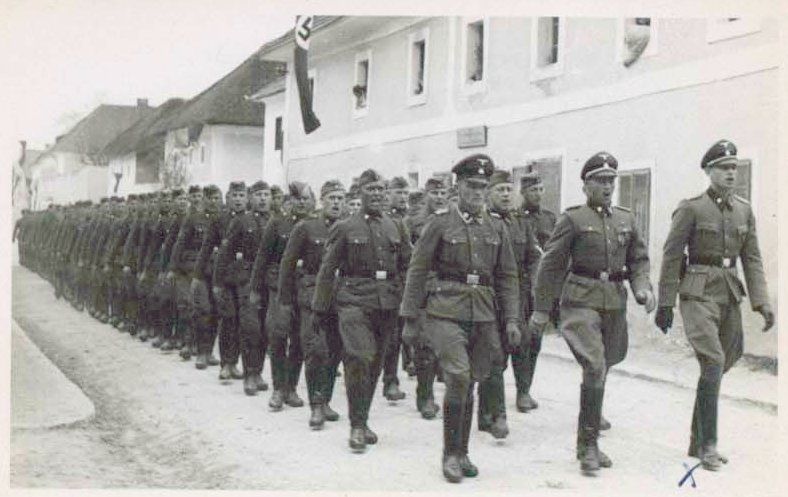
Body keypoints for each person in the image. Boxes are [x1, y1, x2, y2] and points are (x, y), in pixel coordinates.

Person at [530, 152, 655, 474]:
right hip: (580, 300)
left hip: (613, 300)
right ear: (585, 185)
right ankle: (587, 447)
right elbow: (551, 266)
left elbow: (639, 259)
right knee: (596, 363)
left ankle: (592, 414)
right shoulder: (572, 219)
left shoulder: (625, 219)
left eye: (611, 180)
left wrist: (643, 287)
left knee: (608, 361)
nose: (608, 186)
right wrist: (542, 310)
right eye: (600, 180)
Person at [400, 155, 521, 483]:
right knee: (458, 376)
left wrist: (511, 318)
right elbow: (418, 269)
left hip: (483, 312)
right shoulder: (439, 224)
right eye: (472, 186)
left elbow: (508, 276)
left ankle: (463, 451)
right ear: (458, 187)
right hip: (444, 310)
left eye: (483, 186)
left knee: (473, 380)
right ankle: (449, 455)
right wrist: (410, 318)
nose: (478, 192)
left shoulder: (496, 227)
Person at [655, 139, 774, 471]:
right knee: (713, 360)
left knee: (727, 358)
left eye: (734, 168)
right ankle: (709, 444)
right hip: (697, 293)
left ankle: (696, 439)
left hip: (728, 292)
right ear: (709, 172)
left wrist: (762, 301)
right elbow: (672, 255)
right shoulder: (691, 208)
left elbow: (752, 259)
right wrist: (666, 302)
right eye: (724, 168)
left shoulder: (744, 210)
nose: (731, 173)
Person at [312, 169, 411, 453]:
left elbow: (407, 264)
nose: (377, 195)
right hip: (353, 300)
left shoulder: (396, 226)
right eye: (371, 190)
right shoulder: (344, 228)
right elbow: (328, 269)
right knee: (359, 356)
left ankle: (362, 419)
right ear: (360, 194)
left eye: (381, 189)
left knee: (376, 363)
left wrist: (406, 298)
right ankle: (356, 426)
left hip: (387, 303)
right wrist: (320, 308)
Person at [278, 180, 346, 429]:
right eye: (332, 198)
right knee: (315, 351)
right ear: (322, 201)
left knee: (336, 351)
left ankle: (325, 399)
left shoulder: (349, 228)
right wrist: (285, 300)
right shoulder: (306, 227)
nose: (337, 203)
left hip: (340, 298)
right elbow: (287, 263)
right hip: (310, 297)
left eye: (341, 198)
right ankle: (315, 405)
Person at [477, 169, 541, 437]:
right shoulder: (481, 223)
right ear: (488, 194)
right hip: (489, 298)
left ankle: (490, 411)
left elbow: (534, 256)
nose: (505, 194)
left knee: (520, 346)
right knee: (493, 355)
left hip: (518, 297)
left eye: (508, 189)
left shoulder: (520, 223)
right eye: (499, 190)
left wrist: (536, 286)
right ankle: (496, 413)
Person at [251, 182, 314, 409]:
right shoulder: (277, 223)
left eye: (306, 199)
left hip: (305, 290)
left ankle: (291, 388)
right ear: (290, 201)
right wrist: (256, 289)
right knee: (278, 335)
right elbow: (262, 258)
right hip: (279, 287)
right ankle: (278, 388)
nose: (301, 203)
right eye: (297, 199)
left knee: (299, 339)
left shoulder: (314, 225)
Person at [215, 181, 272, 392]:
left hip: (269, 280)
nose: (263, 199)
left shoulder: (275, 221)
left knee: (265, 329)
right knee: (250, 327)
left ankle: (258, 372)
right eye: (258, 195)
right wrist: (219, 282)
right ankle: (249, 373)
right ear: (251, 198)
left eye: (266, 195)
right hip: (246, 280)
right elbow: (225, 253)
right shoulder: (241, 221)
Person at [517, 170, 558, 412]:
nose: (538, 194)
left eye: (541, 189)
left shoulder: (550, 219)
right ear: (523, 192)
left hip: (541, 288)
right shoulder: (516, 218)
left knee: (535, 341)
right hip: (520, 285)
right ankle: (521, 392)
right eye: (533, 190)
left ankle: (525, 389)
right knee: (520, 339)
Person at [211, 182, 248, 380]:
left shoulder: (252, 220)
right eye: (235, 195)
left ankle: (235, 362)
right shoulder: (220, 220)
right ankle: (225, 363)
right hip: (226, 278)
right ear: (228, 197)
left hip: (246, 279)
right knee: (228, 320)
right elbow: (212, 250)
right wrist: (216, 283)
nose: (239, 199)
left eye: (242, 195)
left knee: (243, 323)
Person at [380, 176, 411, 402]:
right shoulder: (382, 219)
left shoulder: (402, 221)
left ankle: (390, 380)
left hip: (393, 288)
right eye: (398, 192)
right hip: (370, 288)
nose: (402, 197)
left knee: (393, 338)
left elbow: (406, 259)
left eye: (405, 193)